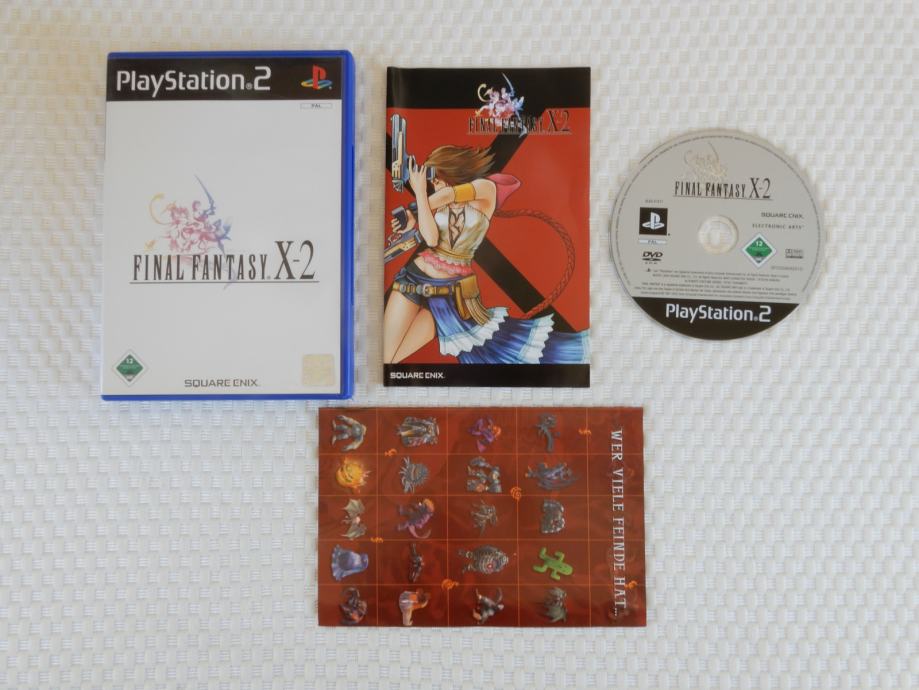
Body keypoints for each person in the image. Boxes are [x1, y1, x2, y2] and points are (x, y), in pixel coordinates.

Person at [383, 144, 588, 365]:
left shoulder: (484, 189)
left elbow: (451, 194)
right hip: (412, 280)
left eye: (435, 179)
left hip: (447, 297)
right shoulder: (438, 204)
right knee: (387, 359)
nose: (434, 186)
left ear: (449, 172)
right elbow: (431, 239)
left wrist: (419, 200)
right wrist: (416, 213)